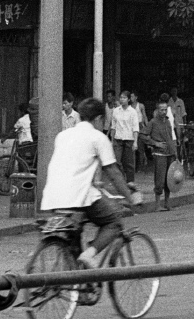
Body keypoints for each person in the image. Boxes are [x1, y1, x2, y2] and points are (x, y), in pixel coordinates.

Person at [38, 97, 143, 269]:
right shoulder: (98, 137)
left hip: (53, 196)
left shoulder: (62, 136)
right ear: (98, 119)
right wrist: (130, 197)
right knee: (114, 222)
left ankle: (77, 285)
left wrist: (96, 183)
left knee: (74, 235)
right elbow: (114, 173)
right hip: (78, 196)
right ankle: (90, 253)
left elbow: (74, 166)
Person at [146, 100, 178, 212]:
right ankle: (157, 205)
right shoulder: (153, 122)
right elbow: (143, 135)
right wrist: (155, 143)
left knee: (169, 179)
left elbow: (170, 137)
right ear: (157, 110)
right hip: (159, 154)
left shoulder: (168, 122)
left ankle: (167, 203)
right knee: (159, 179)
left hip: (170, 153)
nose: (164, 112)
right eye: (162, 110)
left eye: (165, 110)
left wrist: (175, 151)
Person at [109, 93, 142, 182]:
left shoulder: (133, 111)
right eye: (121, 97)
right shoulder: (116, 110)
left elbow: (135, 127)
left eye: (124, 97)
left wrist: (135, 142)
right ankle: (121, 181)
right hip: (118, 139)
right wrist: (112, 140)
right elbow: (113, 126)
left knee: (129, 163)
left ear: (128, 99)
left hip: (129, 139)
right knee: (117, 162)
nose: (122, 99)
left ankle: (130, 182)